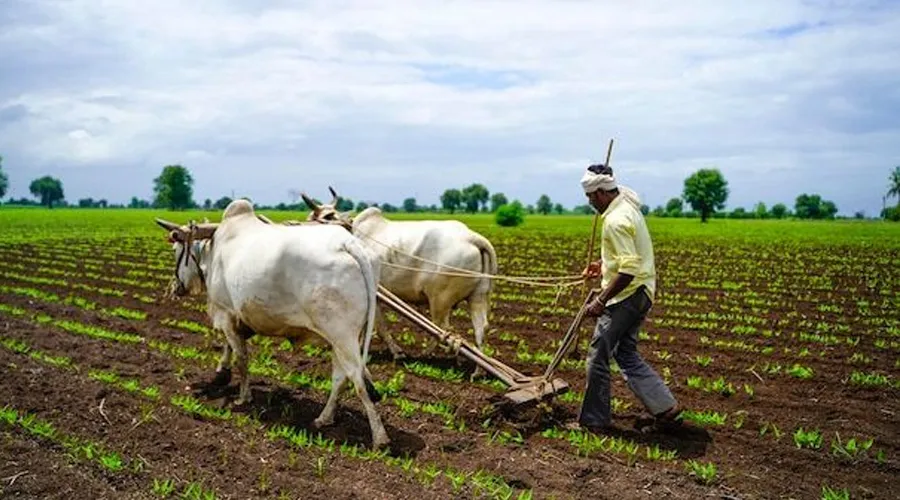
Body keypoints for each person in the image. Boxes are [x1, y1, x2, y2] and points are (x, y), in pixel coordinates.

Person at [574, 163, 680, 434]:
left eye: (590, 197)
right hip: (644, 291)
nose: (589, 203)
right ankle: (665, 407)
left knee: (598, 356)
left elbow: (629, 269)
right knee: (625, 352)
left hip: (628, 295)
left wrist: (600, 301)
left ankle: (594, 422)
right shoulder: (626, 203)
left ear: (599, 193)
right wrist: (604, 264)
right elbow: (625, 257)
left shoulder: (616, 220)